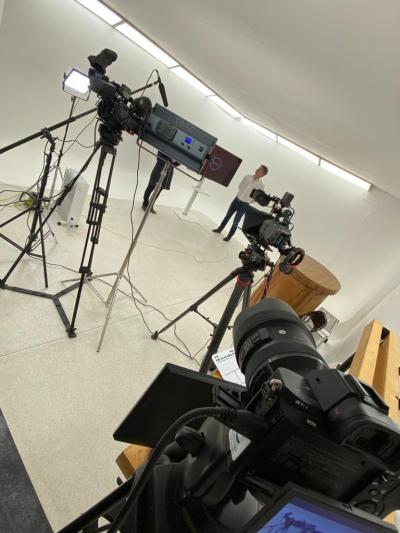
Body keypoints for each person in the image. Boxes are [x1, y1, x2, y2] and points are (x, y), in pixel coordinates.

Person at [213, 164, 268, 241]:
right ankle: (219, 229)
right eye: (258, 168)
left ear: (262, 174)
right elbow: (240, 186)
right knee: (227, 216)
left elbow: (257, 198)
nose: (257, 169)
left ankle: (229, 237)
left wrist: (249, 201)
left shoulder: (261, 186)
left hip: (244, 205)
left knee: (236, 222)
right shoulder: (247, 177)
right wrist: (240, 195)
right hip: (236, 200)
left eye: (260, 169)